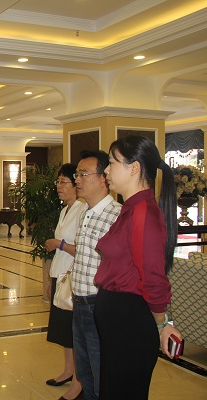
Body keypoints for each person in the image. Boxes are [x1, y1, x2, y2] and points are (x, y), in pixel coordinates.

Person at [94, 135, 183, 399]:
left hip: (130, 318)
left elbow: (153, 276)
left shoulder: (143, 211)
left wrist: (162, 324)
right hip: (118, 316)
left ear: (134, 168)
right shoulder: (131, 208)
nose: (106, 171)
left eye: (112, 163)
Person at [71, 150, 121, 400]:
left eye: (83, 174)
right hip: (79, 302)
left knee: (102, 370)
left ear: (103, 178)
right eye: (76, 174)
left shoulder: (117, 215)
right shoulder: (85, 212)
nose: (77, 180)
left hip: (98, 303)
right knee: (85, 371)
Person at [44, 164, 85, 400]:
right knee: (64, 332)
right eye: (58, 182)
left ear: (75, 185)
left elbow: (83, 249)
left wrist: (58, 244)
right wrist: (52, 279)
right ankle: (69, 371)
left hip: (73, 278)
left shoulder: (82, 210)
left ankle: (79, 382)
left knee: (75, 333)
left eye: (63, 182)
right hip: (59, 275)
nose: (59, 186)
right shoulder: (65, 210)